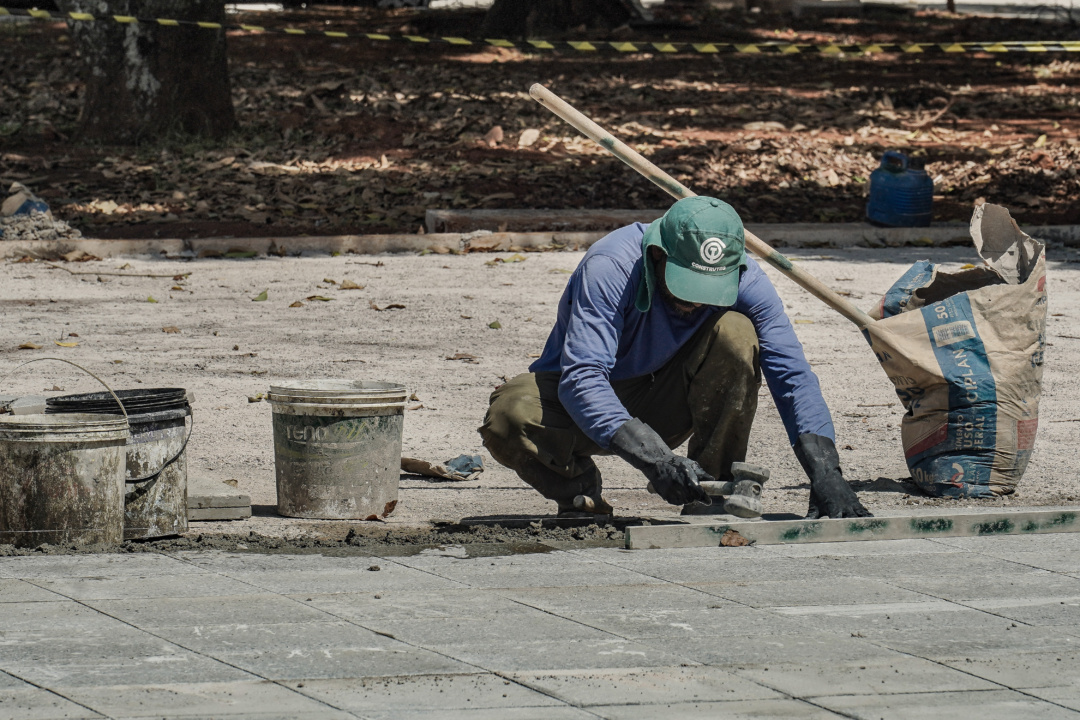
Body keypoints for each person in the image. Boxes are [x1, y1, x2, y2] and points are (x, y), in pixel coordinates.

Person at [479, 196, 871, 520]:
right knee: (508, 418)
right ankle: (581, 494)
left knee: (736, 333)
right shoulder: (611, 265)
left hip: (667, 399)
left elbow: (793, 377)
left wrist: (827, 474)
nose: (695, 300)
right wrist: (653, 459)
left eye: (709, 286)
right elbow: (583, 377)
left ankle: (711, 494)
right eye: (686, 283)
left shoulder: (748, 279)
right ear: (656, 252)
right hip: (578, 402)